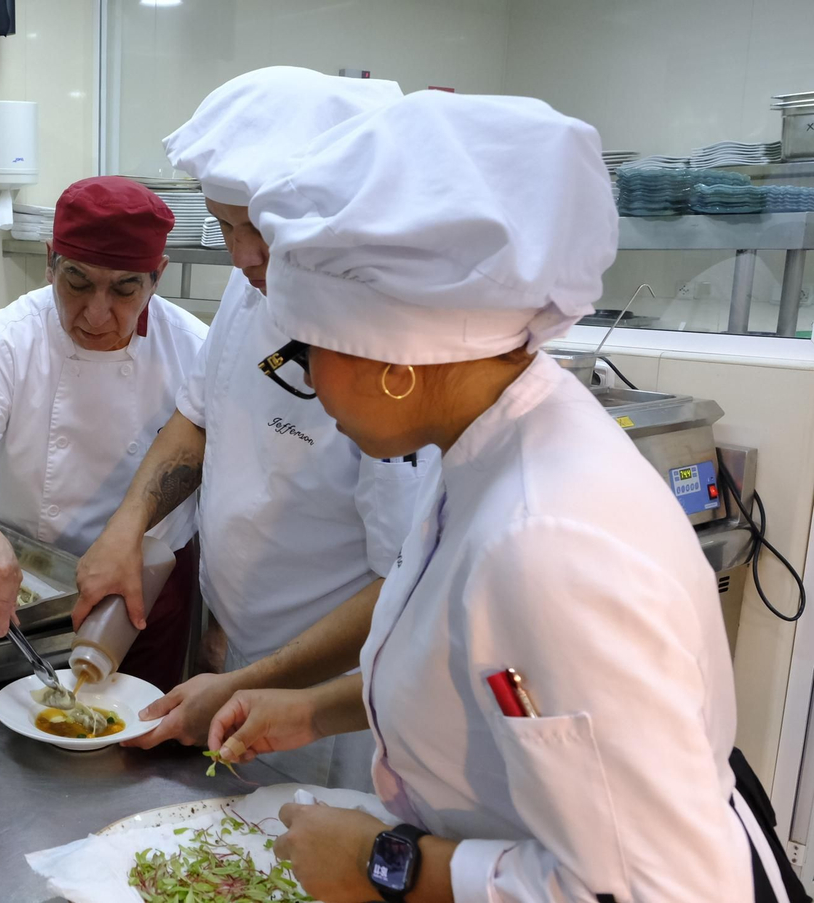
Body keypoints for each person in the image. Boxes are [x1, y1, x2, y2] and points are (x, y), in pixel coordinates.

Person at [206, 91, 798, 903]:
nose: (309, 388)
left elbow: (669, 888)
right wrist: (310, 711)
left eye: (306, 355)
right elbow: (479, 679)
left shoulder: (546, 542)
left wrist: (385, 863)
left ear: (394, 356)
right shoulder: (490, 437)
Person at [77, 68, 434, 790]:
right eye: (226, 225)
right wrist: (126, 526)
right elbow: (198, 418)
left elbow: (408, 580)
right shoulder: (254, 284)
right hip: (241, 654)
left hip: (332, 693)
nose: (241, 256)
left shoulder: (391, 351)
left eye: (259, 228)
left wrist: (258, 680)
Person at [0, 176, 207, 689]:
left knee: (140, 745)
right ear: (51, 261)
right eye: (76, 281)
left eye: (125, 288)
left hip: (147, 588)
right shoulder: (10, 338)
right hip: (24, 586)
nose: (96, 313)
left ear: (157, 276)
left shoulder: (195, 349)